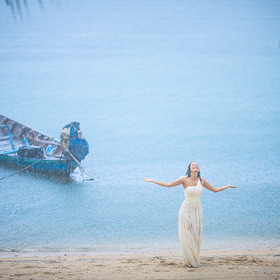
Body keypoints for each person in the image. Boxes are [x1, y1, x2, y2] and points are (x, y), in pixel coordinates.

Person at [143, 162, 237, 267]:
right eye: (193, 165)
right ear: (190, 169)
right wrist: (153, 181)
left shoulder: (202, 180)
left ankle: (194, 258)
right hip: (186, 210)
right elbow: (168, 185)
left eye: (197, 165)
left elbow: (214, 190)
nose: (195, 166)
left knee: (196, 235)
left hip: (197, 210)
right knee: (188, 235)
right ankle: (188, 260)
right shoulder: (184, 180)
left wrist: (227, 186)